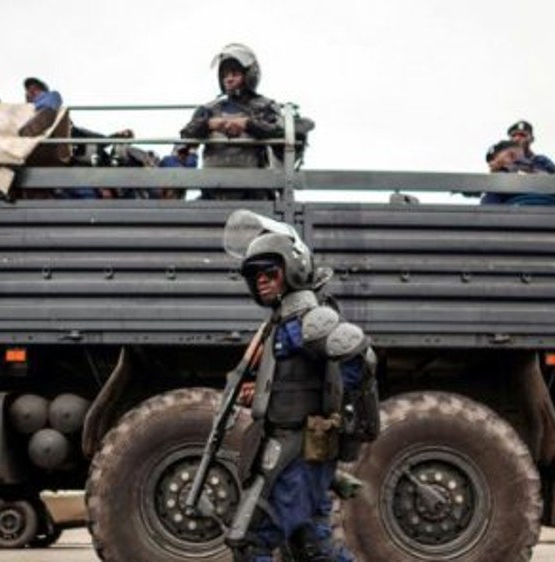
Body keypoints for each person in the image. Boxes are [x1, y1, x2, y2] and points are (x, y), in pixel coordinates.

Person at [220, 210, 379, 562]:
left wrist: (333, 419)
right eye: (254, 275)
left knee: (251, 542)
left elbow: (356, 357)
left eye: (269, 273)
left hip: (299, 449)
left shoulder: (305, 318)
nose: (261, 281)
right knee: (312, 546)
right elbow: (297, 377)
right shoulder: (284, 321)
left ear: (292, 269)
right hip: (293, 447)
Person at [181, 44, 284, 200]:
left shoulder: (265, 106)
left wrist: (248, 124)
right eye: (225, 75)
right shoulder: (210, 109)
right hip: (213, 187)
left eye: (234, 73)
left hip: (253, 189)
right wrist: (209, 125)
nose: (228, 79)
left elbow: (279, 131)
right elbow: (186, 135)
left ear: (248, 75)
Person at [480, 140, 555, 206]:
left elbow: (553, 180)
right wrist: (493, 181)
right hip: (516, 218)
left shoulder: (538, 161)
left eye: (510, 156)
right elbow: (489, 208)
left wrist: (521, 166)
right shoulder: (501, 181)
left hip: (552, 211)